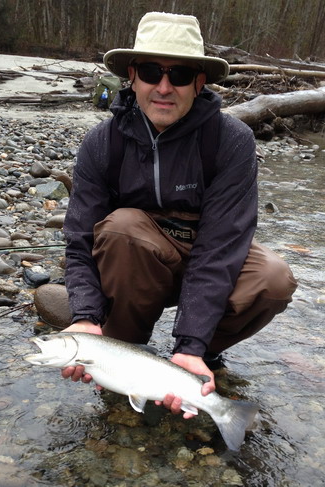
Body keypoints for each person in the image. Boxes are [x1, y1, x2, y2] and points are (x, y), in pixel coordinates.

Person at [59, 12, 297, 417]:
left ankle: (194, 362)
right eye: (151, 72)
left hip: (203, 250)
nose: (164, 87)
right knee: (121, 229)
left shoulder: (230, 140)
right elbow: (80, 241)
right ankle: (122, 357)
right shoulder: (103, 143)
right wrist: (85, 319)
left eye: (181, 74)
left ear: (200, 81)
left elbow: (220, 248)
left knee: (273, 280)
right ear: (131, 76)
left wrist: (191, 344)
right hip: (137, 259)